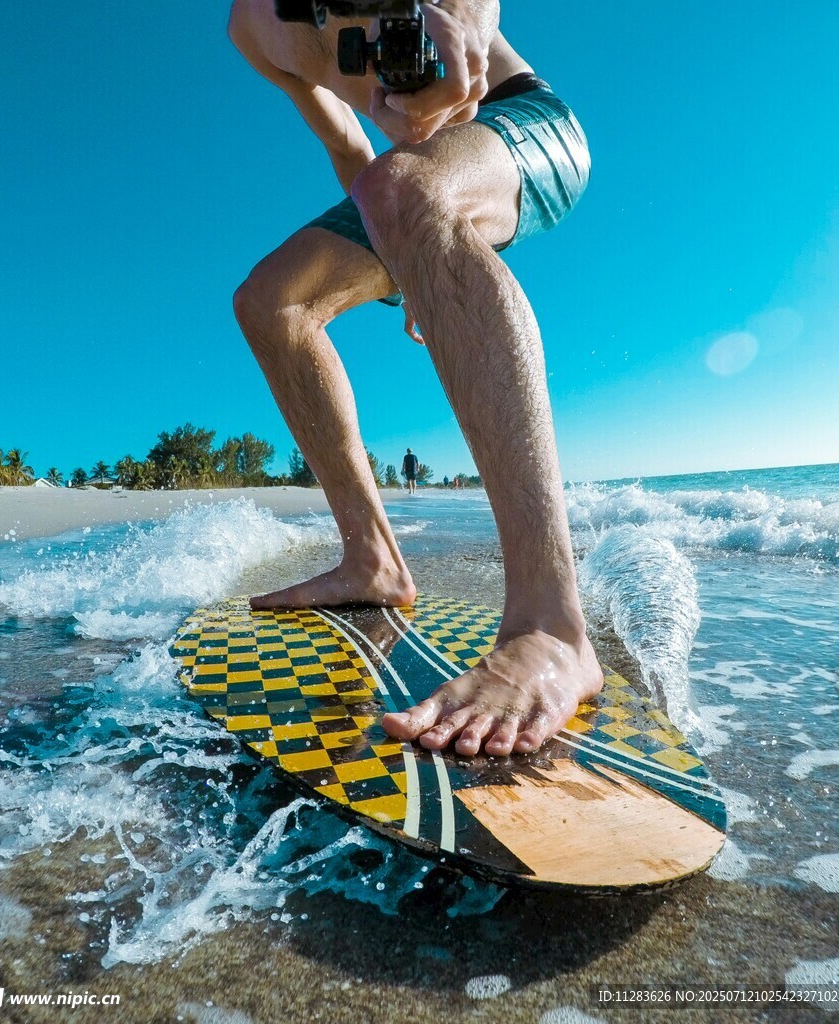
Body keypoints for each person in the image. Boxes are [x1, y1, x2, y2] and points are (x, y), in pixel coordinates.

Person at [230, 0, 603, 756]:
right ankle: (371, 558)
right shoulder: (254, 31)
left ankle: (549, 626)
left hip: (522, 125)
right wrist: (407, 259)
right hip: (404, 180)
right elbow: (346, 146)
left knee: (405, 189)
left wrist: (458, 27)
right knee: (273, 302)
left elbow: (470, 8)